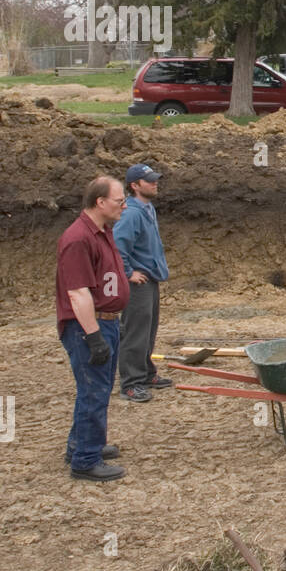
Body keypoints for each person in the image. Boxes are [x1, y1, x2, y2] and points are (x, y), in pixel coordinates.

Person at [57, 175, 131, 482]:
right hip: (89, 326)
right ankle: (86, 460)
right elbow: (78, 293)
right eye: (119, 200)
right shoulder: (78, 239)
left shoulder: (102, 232)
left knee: (94, 389)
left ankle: (81, 446)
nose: (124, 206)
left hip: (105, 322)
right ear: (100, 202)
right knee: (94, 392)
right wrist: (94, 336)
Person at [113, 163, 172, 403]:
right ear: (135, 185)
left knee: (148, 330)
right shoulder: (131, 213)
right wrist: (128, 273)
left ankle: (146, 373)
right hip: (138, 283)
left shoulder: (148, 209)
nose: (155, 183)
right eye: (149, 181)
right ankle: (131, 383)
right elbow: (117, 246)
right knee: (135, 331)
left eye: (155, 179)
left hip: (150, 278)